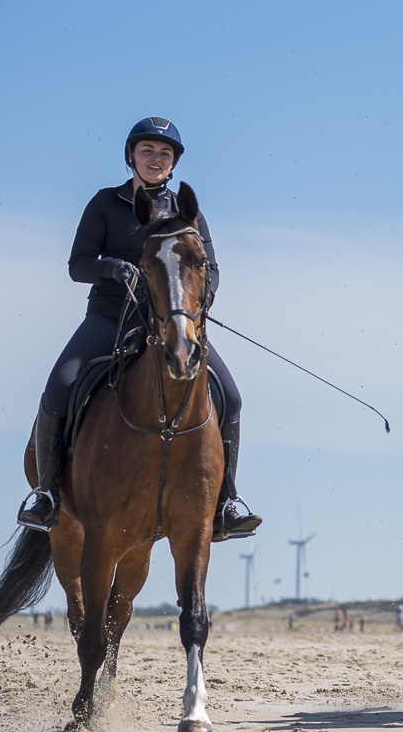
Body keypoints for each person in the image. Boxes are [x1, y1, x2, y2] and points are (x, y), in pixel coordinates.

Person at [15, 117, 262, 542]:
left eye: (165, 153)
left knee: (232, 398)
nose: (156, 158)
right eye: (147, 150)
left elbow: (210, 268)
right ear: (131, 156)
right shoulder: (105, 203)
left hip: (172, 327)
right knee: (59, 386)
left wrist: (197, 305)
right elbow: (78, 265)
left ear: (173, 163)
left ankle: (226, 501)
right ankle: (46, 492)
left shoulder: (188, 213)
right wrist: (111, 267)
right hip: (109, 319)